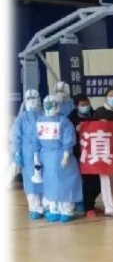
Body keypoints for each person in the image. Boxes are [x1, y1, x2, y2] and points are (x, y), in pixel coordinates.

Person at [33, 95, 82, 223]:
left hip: (61, 156)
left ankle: (66, 210)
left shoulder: (64, 121)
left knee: (64, 184)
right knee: (50, 185)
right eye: (47, 105)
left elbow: (68, 138)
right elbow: (36, 140)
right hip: (46, 158)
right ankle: (53, 210)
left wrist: (66, 155)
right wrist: (36, 157)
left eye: (52, 104)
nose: (49, 107)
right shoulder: (40, 121)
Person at [11, 89, 45, 219]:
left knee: (45, 178)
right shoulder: (21, 118)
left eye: (34, 98)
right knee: (30, 179)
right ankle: (35, 207)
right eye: (29, 99)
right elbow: (15, 136)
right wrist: (17, 152)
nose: (32, 101)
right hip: (27, 152)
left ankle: (46, 206)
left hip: (44, 151)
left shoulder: (44, 115)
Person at [91, 88, 113, 217]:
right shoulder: (99, 112)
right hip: (104, 150)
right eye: (110, 96)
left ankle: (112, 203)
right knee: (105, 179)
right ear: (106, 97)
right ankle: (109, 207)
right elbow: (92, 128)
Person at [67, 94, 100, 218]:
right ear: (76, 106)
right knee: (87, 181)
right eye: (82, 105)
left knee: (97, 183)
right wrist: (74, 130)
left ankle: (91, 203)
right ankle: (88, 207)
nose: (85, 106)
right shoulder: (70, 119)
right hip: (80, 154)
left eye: (87, 104)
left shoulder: (95, 115)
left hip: (95, 152)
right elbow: (66, 135)